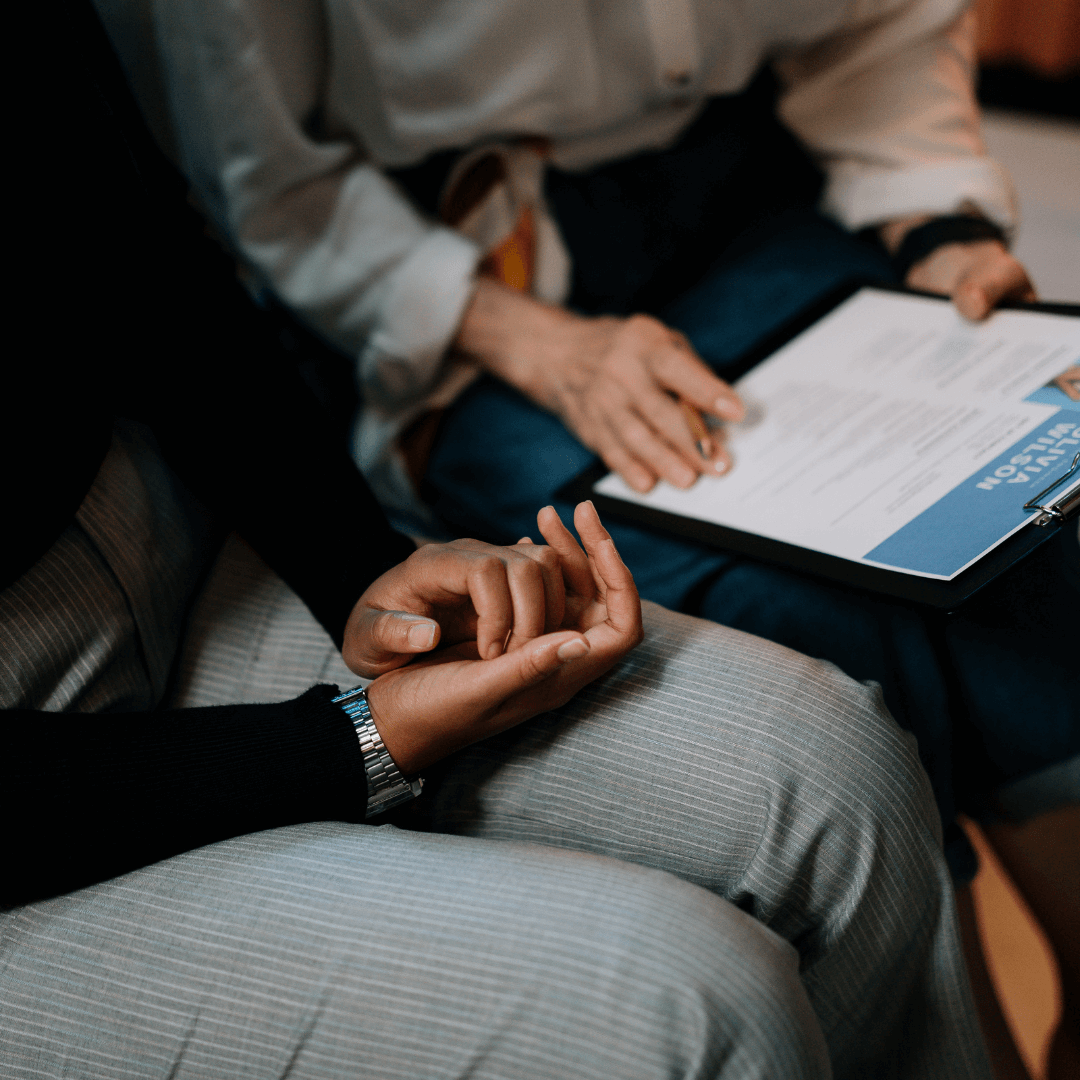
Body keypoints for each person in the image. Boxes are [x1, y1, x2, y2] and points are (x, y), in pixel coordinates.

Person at [1, 6, 996, 1078]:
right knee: (693, 1005)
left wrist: (359, 571)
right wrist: (355, 744)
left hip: (168, 535)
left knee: (839, 770)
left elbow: (153, 262)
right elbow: (272, 188)